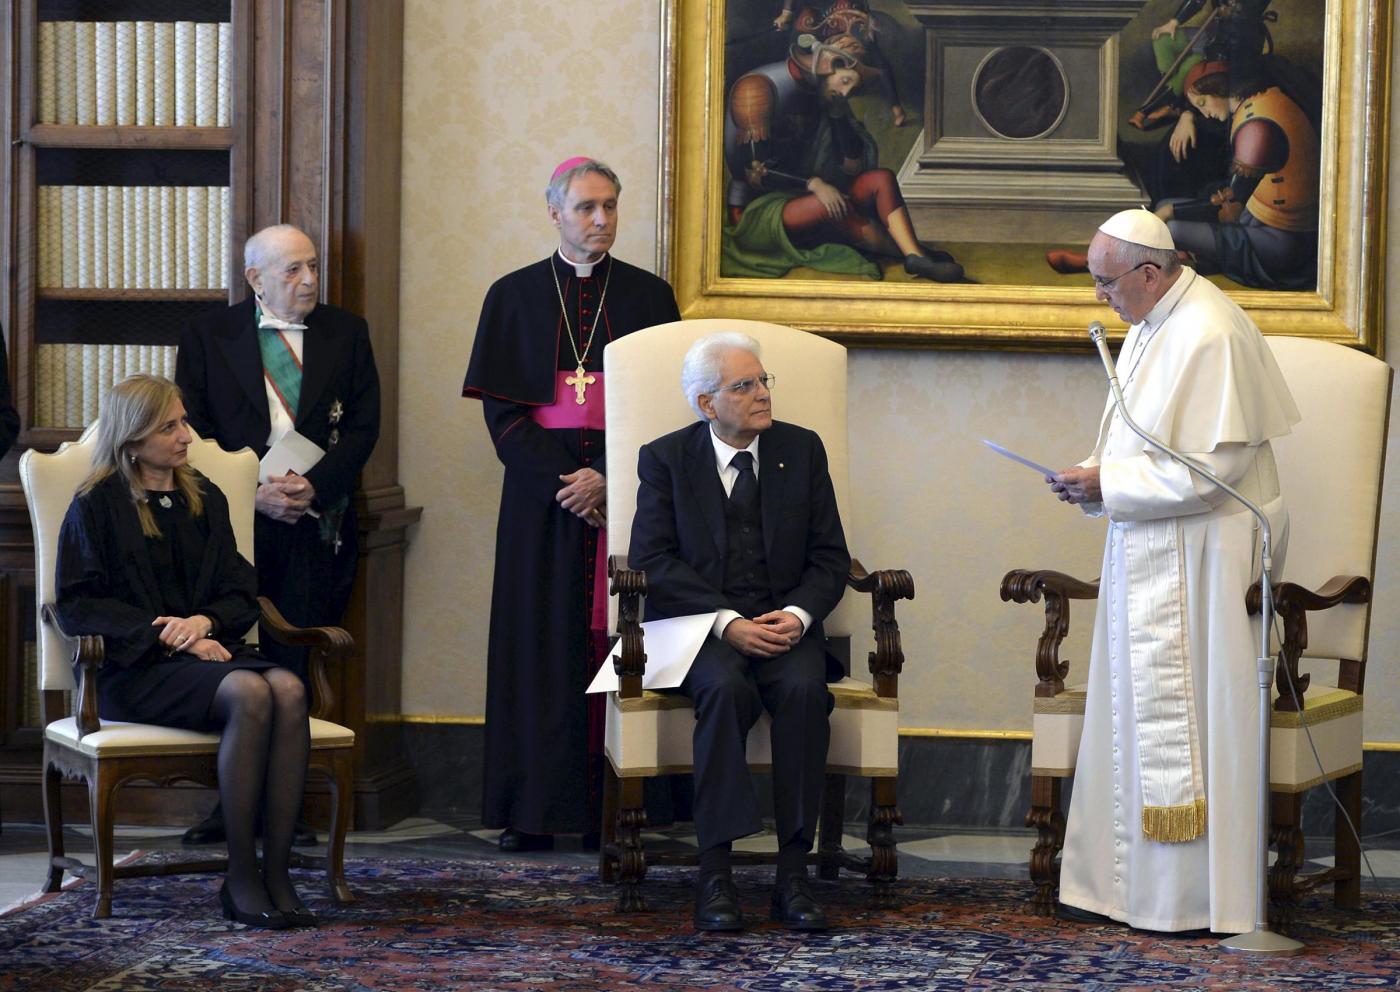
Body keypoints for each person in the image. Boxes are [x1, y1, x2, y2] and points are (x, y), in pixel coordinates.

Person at [1047, 208, 1299, 934]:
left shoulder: (1210, 332)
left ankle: (1195, 899)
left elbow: (1212, 473)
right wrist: (1093, 476)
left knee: (1192, 723)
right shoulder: (1153, 321)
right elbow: (1138, 438)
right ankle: (1130, 892)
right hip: (1156, 545)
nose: (1099, 296)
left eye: (1106, 282)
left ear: (1150, 273)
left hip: (1204, 561)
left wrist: (1108, 484)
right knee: (1131, 719)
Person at [463, 158, 681, 852]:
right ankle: (534, 811)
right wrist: (570, 482)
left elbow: (669, 413)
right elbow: (503, 417)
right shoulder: (512, 295)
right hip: (542, 505)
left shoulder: (650, 297)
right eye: (587, 207)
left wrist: (609, 479)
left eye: (611, 206)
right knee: (538, 648)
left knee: (621, 646)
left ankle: (616, 810)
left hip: (628, 502)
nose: (601, 220)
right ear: (554, 211)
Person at [56, 374, 315, 929]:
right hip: (132, 668)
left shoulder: (205, 496)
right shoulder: (96, 505)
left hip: (207, 654)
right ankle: (241, 874)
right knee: (251, 691)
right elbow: (78, 604)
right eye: (169, 427)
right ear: (133, 438)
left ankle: (278, 871)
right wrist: (169, 634)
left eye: (184, 421)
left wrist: (204, 622)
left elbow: (239, 589)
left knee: (289, 688)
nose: (186, 436)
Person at [628, 332, 850, 932]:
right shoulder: (666, 458)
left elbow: (830, 557)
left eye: (763, 381)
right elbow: (652, 560)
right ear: (707, 403)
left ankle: (793, 876)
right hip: (701, 632)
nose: (762, 394)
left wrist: (798, 616)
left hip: (783, 627)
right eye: (744, 386)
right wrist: (728, 624)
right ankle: (716, 876)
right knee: (724, 689)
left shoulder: (801, 450)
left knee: (805, 692)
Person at [175, 223, 382, 847]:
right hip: (231, 526)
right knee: (229, 659)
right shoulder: (207, 335)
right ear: (255, 278)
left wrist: (312, 488)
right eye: (293, 269)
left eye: (312, 266)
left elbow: (365, 426)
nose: (309, 279)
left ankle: (287, 809)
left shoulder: (347, 332)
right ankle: (231, 805)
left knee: (295, 658)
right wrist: (250, 494)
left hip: (314, 525)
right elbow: (192, 434)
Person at [722, 35, 962, 282]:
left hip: (801, 196)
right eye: (845, 81)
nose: (845, 93)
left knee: (881, 179)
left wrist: (838, 118)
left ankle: (915, 255)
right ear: (828, 65)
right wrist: (814, 184)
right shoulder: (757, 89)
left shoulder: (828, 95)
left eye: (852, 89)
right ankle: (913, 255)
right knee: (834, 205)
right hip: (756, 211)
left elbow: (852, 166)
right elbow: (754, 172)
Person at [1157, 57, 1320, 289]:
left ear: (1219, 88)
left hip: (1284, 242)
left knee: (1171, 227)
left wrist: (1171, 211)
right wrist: (1169, 209)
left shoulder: (1256, 127)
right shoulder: (1260, 102)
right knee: (1164, 206)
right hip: (1255, 218)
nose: (1205, 114)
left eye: (1203, 103)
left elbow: (1231, 204)